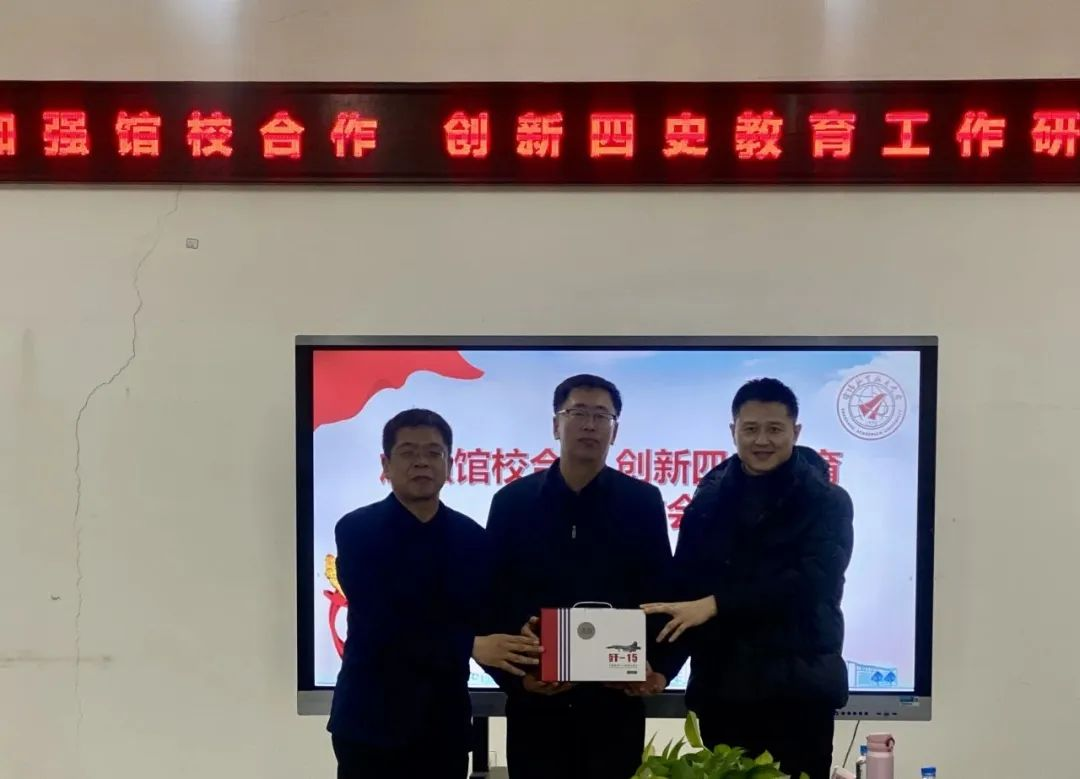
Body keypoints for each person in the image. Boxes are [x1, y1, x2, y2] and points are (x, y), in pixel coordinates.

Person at [643, 378, 854, 779]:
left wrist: (717, 604)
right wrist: (661, 667)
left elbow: (813, 582)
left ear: (796, 431)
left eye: (775, 429)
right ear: (733, 430)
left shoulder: (827, 501)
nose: (762, 440)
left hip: (799, 695)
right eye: (750, 428)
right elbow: (686, 593)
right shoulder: (707, 502)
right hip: (724, 693)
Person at [328, 409, 542, 779]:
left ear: (450, 464)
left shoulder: (471, 538)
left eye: (433, 453)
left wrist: (525, 673)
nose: (421, 462)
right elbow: (383, 625)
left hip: (443, 726)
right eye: (408, 452)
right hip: (370, 723)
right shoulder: (357, 531)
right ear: (386, 465)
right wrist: (470, 645)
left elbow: (486, 620)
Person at [486, 375, 673, 779]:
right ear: (556, 425)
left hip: (614, 705)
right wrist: (517, 680)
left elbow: (661, 591)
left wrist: (658, 669)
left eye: (602, 416)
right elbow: (492, 599)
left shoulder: (642, 502)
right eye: (578, 413)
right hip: (536, 706)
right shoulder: (512, 502)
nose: (590, 425)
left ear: (615, 431)